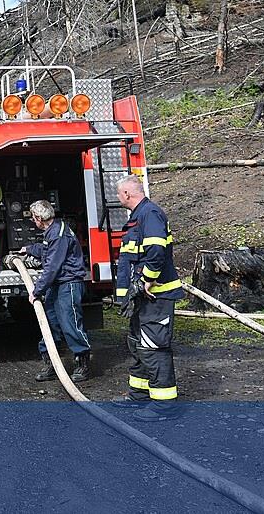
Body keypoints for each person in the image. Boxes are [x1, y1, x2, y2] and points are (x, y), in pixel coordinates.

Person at [112, 176, 184, 421]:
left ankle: (164, 406)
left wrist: (146, 281)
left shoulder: (150, 214)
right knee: (138, 344)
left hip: (156, 295)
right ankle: (139, 395)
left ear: (127, 194)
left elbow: (156, 252)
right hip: (143, 297)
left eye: (119, 194)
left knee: (154, 347)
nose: (117, 198)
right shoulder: (138, 217)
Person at [20, 200, 92, 383]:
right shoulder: (53, 230)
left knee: (70, 323)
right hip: (57, 285)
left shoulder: (59, 235)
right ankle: (51, 363)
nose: (33, 221)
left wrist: (36, 291)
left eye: (33, 218)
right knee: (50, 323)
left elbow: (52, 267)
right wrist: (29, 249)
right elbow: (46, 250)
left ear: (38, 218)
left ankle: (82, 363)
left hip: (68, 284)